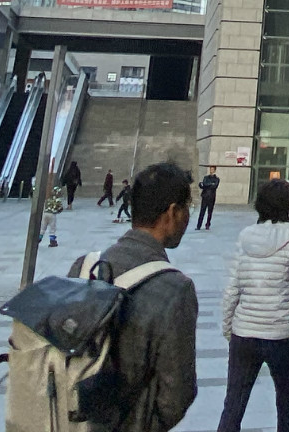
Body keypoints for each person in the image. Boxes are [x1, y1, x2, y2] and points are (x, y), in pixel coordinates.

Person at [69, 161, 199, 432]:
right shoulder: (175, 289)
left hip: (73, 419)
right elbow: (177, 394)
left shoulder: (84, 266)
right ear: (173, 212)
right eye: (187, 207)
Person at [218, 178, 289, 432]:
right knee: (287, 404)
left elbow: (232, 289)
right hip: (282, 335)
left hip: (244, 333)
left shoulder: (245, 236)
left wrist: (229, 329)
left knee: (233, 404)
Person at [195, 165, 220, 230]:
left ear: (214, 170)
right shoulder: (206, 177)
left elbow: (215, 186)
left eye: (212, 169)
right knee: (202, 211)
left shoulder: (217, 179)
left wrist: (207, 185)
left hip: (211, 197)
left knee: (210, 212)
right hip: (205, 196)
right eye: (210, 169)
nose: (211, 170)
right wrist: (210, 184)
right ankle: (198, 226)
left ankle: (208, 224)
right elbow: (204, 184)